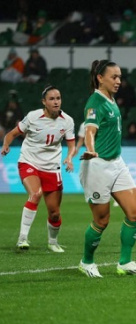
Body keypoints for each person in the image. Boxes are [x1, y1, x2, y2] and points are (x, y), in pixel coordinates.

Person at [78, 59, 136, 278]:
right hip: (97, 165)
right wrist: (90, 149)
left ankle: (125, 263)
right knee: (102, 220)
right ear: (100, 78)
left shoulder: (111, 99)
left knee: (134, 213)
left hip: (117, 162)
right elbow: (90, 130)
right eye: (114, 77)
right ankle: (86, 262)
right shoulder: (95, 103)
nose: (118, 81)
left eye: (119, 77)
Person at [1, 86, 75, 252]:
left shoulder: (67, 121)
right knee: (35, 193)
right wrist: (6, 145)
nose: (56, 102)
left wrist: (69, 157)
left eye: (58, 98)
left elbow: (71, 144)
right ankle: (22, 238)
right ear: (44, 102)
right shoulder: (33, 117)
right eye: (52, 99)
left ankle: (52, 242)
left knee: (54, 213)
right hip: (29, 162)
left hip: (52, 167)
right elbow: (11, 134)